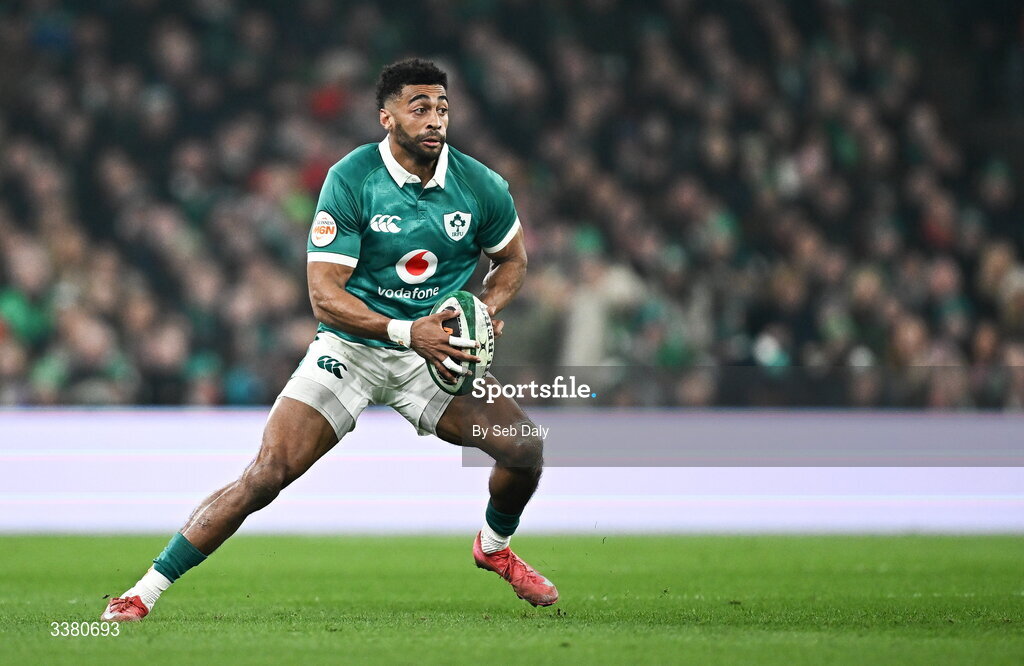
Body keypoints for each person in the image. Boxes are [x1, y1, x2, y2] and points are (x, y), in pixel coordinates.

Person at [101, 58, 557, 621]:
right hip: (351, 348)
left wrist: (483, 310)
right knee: (266, 474)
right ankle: (142, 592)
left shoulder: (481, 185)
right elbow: (324, 295)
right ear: (386, 117)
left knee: (524, 447)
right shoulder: (351, 179)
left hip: (434, 352)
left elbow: (512, 260)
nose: (435, 119)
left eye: (442, 108)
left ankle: (493, 550)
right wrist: (402, 329)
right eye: (420, 108)